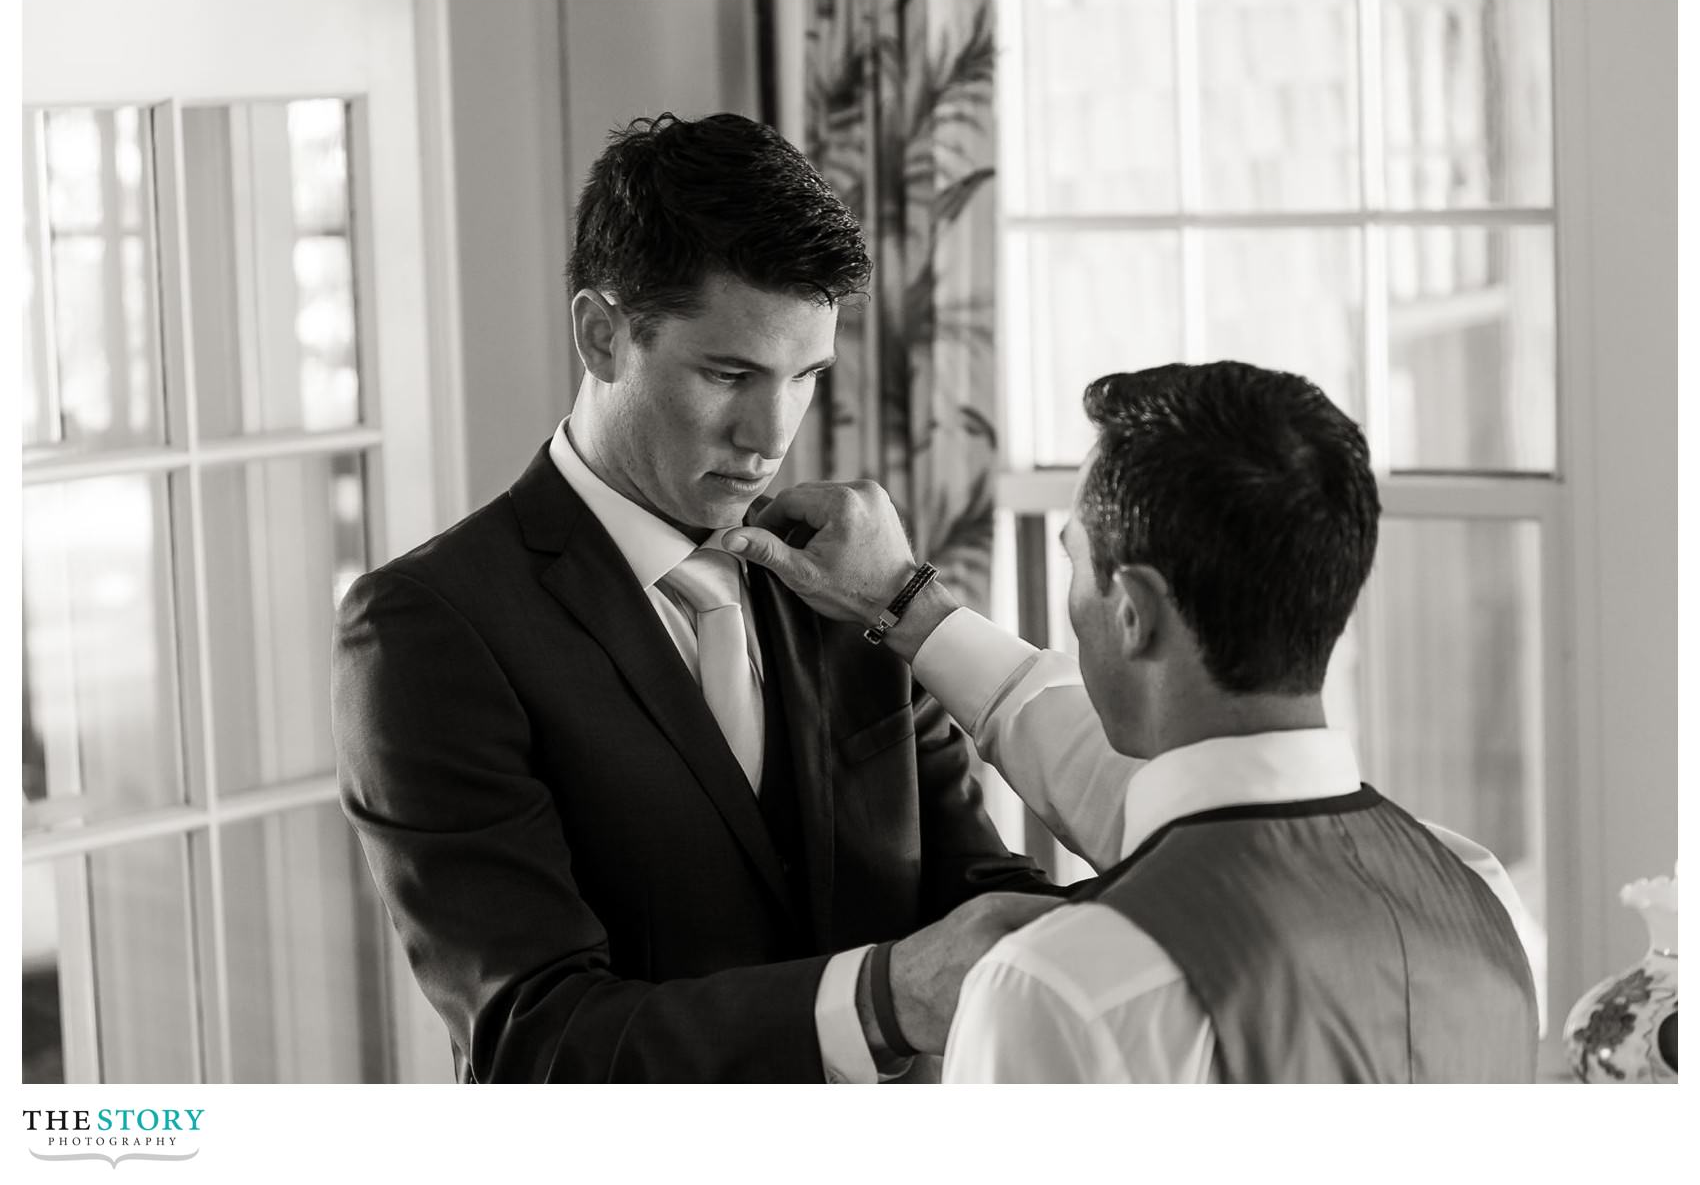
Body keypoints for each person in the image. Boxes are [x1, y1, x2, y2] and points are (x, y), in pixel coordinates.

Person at [332, 112, 1060, 1084]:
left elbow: (977, 893)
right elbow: (537, 1040)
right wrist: (879, 1000)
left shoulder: (851, 575)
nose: (769, 433)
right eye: (728, 373)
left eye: (805, 375)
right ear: (600, 335)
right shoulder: (430, 629)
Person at [725, 360, 1543, 1082]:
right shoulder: (1483, 895)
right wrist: (912, 605)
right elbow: (1206, 813)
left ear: (1133, 610)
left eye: (1077, 560)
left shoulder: (1056, 988)